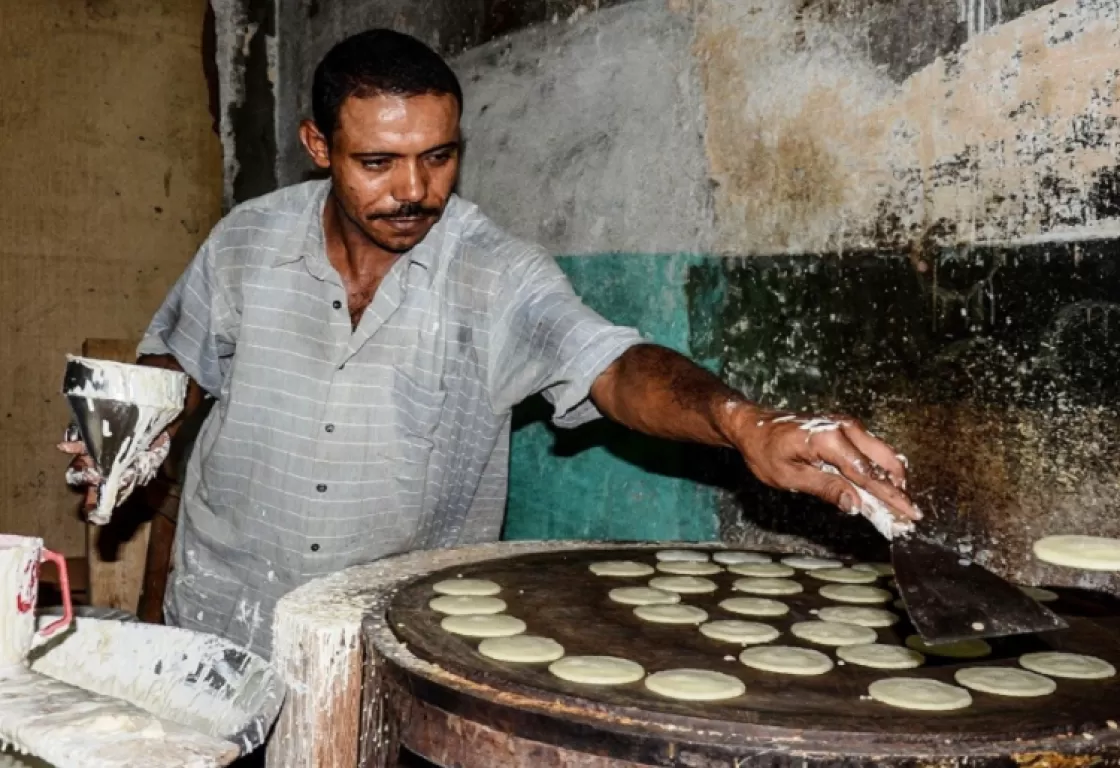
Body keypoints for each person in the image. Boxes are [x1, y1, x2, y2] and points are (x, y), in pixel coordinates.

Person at [60, 29, 919, 659]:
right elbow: (183, 366)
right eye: (378, 162)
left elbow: (613, 366)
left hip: (389, 636)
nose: (414, 191)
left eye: (439, 157)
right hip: (223, 612)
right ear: (318, 147)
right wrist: (135, 426)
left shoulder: (494, 271)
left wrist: (745, 424)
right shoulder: (244, 242)